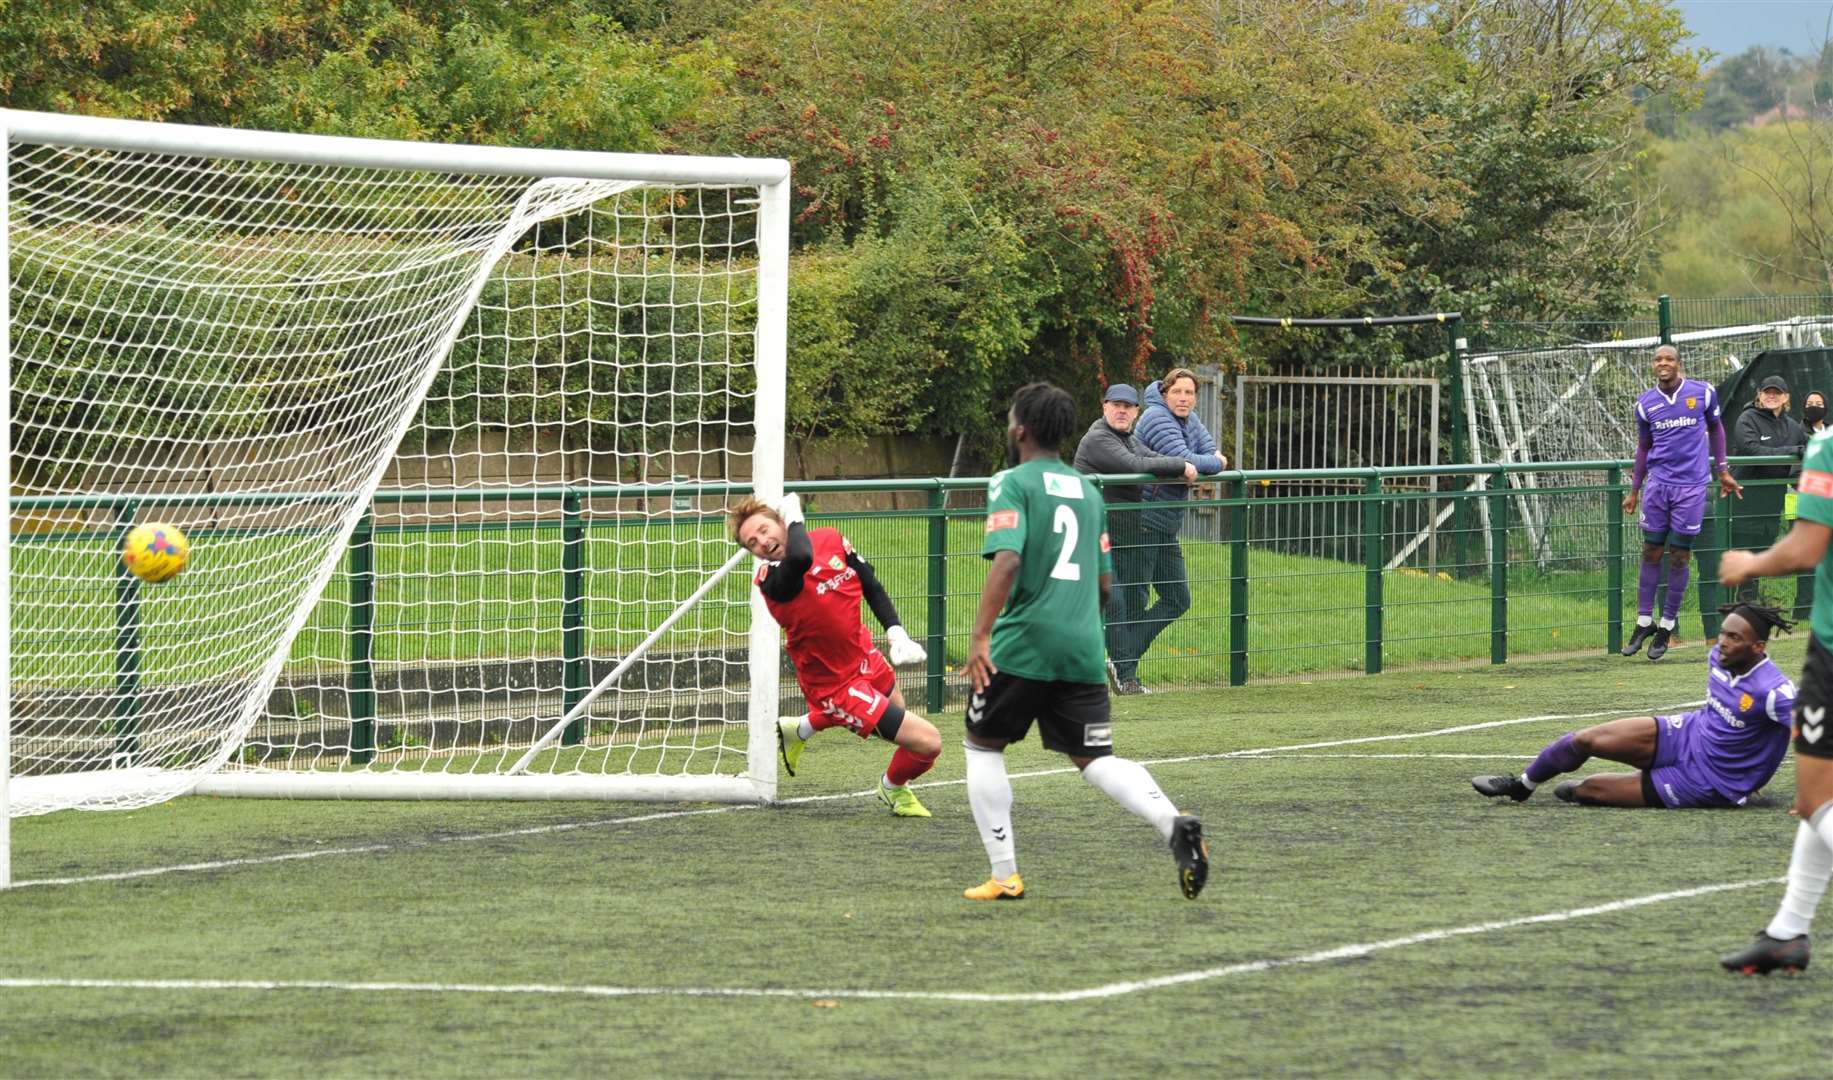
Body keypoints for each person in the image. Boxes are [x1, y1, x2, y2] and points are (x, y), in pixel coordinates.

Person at [959, 381, 1209, 901]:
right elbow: (1103, 585)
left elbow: (1007, 558)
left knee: (983, 746)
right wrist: (1080, 633)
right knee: (1094, 759)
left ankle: (1005, 874)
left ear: (1020, 429)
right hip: (1082, 645)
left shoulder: (1011, 481)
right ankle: (1172, 824)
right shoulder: (1087, 489)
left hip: (1023, 642)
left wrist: (981, 635)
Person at [730, 492, 942, 817]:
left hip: (865, 654)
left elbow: (868, 581)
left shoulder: (830, 539)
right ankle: (892, 787)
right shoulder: (771, 581)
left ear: (777, 522)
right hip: (835, 686)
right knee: (927, 742)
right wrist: (794, 514)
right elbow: (800, 557)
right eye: (752, 542)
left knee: (898, 715)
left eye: (763, 529)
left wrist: (896, 632)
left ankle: (800, 728)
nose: (762, 541)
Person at [1472, 602, 1796, 808]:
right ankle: (1522, 786)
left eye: (1734, 638)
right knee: (1585, 740)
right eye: (1724, 634)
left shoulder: (1775, 692)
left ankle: (1596, 786)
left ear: (1758, 646)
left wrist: (1753, 781)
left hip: (1708, 782)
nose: (1723, 642)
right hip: (1687, 734)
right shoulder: (1717, 657)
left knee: (1587, 790)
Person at [1072, 383, 1197, 696]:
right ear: (1104, 407)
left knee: (1143, 602)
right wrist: (1181, 465)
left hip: (1125, 535)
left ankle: (1121, 669)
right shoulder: (1099, 437)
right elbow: (1133, 466)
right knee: (1114, 602)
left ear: (1136, 412)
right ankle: (1120, 675)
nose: (1122, 411)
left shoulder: (1126, 438)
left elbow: (1150, 457)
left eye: (1128, 407)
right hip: (1093, 537)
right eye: (1116, 405)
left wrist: (1181, 466)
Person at [1620, 344, 1743, 661]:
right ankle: (1644, 621)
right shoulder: (1645, 404)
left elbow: (1716, 431)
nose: (1663, 363)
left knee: (1679, 556)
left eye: (1669, 359)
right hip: (1658, 486)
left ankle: (1667, 625)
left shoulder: (1702, 394)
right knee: (1650, 551)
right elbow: (1643, 448)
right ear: (1654, 365)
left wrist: (1723, 471)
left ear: (1679, 363)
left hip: (1691, 488)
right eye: (1658, 359)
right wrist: (1635, 489)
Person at [1126, 367, 1228, 693]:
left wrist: (1210, 460)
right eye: (1178, 392)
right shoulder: (1157, 417)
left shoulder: (1187, 419)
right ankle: (1125, 672)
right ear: (1165, 392)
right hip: (1144, 519)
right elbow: (1191, 459)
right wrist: (1213, 461)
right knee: (1135, 598)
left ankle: (1121, 656)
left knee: (1177, 598)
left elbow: (1208, 452)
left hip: (1167, 522)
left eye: (1189, 393)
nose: (1184, 399)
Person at [1729, 374, 1808, 602]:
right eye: (1767, 392)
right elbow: (1753, 451)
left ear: (1786, 397)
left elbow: (1809, 448)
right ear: (1759, 395)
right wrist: (1792, 451)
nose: (1772, 396)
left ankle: (1749, 610)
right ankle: (1739, 612)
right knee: (1739, 563)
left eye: (1777, 393)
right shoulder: (1747, 419)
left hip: (1771, 509)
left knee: (1757, 563)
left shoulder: (1793, 426)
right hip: (1741, 505)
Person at [1787, 390, 1826, 620]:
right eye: (1810, 403)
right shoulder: (1796, 432)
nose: (1814, 407)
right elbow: (1794, 472)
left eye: (1818, 403)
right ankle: (1802, 610)